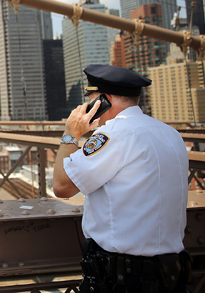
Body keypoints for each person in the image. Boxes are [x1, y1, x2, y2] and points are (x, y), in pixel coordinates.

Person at [52, 64, 189, 293]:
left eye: (91, 99)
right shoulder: (170, 133)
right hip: (172, 275)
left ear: (103, 100)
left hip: (123, 280)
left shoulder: (114, 133)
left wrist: (71, 134)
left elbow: (62, 186)